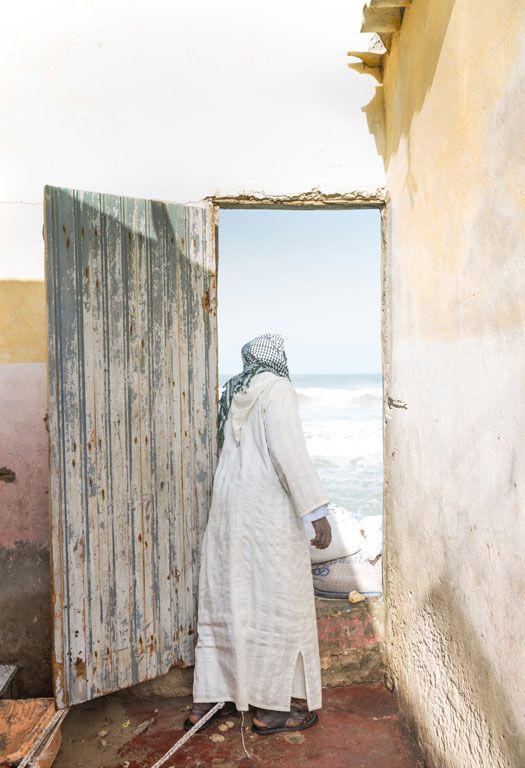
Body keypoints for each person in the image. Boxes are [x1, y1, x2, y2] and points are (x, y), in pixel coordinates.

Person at [186, 333, 332, 735]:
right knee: (277, 602)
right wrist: (315, 511)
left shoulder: (235, 392)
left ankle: (208, 701)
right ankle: (272, 710)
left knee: (229, 596)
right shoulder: (278, 389)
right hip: (266, 512)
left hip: (229, 509)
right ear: (277, 360)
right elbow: (289, 452)